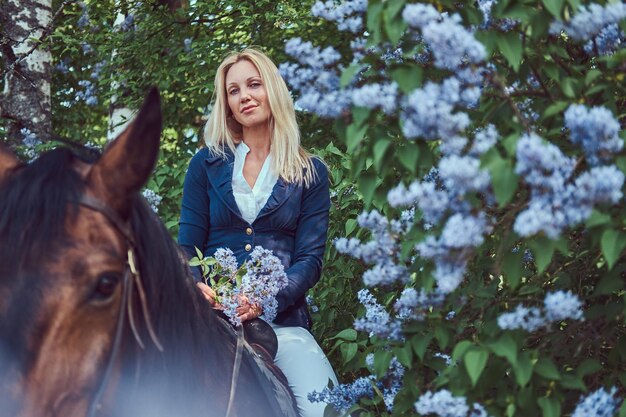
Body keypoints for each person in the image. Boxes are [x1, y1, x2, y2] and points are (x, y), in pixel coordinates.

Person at [177, 48, 338, 417]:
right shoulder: (205, 164)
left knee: (327, 410)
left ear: (273, 90)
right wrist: (195, 286)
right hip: (209, 320)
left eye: (253, 84)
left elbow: (309, 261)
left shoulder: (309, 171)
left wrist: (265, 302)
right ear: (228, 104)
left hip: (282, 327)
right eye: (233, 91)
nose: (244, 96)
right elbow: (188, 245)